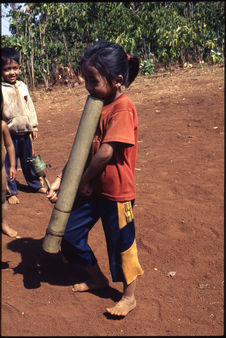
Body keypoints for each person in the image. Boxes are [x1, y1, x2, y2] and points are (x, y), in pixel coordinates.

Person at [47, 41, 144, 317]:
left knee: (121, 243)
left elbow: (105, 153)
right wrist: (63, 177)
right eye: (86, 80)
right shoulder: (97, 106)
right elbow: (82, 149)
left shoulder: (123, 108)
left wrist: (80, 182)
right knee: (69, 233)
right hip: (92, 188)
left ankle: (129, 296)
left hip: (117, 193)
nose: (88, 86)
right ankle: (96, 276)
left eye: (94, 80)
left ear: (117, 80)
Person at [1, 47, 47, 205]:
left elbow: (30, 107)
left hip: (25, 133)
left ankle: (35, 185)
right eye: (7, 69)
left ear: (20, 68)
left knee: (29, 161)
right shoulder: (1, 90)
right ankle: (11, 191)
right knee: (9, 165)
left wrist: (34, 126)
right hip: (9, 136)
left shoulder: (23, 86)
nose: (11, 72)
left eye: (14, 68)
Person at [1, 119, 19, 238]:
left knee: (2, 197)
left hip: (1, 169)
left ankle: (4, 225)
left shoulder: (2, 125)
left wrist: (12, 165)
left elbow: (9, 145)